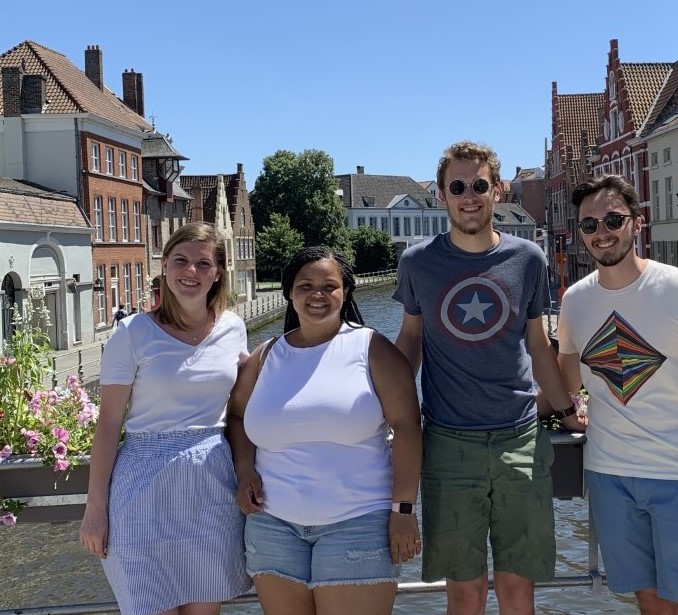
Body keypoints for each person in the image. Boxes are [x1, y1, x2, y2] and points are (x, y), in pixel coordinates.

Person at [393, 141, 585, 615]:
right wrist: (386, 409)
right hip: (447, 442)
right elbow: (410, 342)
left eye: (479, 185)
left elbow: (539, 346)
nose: (469, 195)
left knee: (519, 586)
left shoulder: (528, 259)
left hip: (519, 438)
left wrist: (565, 410)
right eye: (457, 187)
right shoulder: (418, 262)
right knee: (465, 589)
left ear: (497, 191)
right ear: (441, 195)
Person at [556, 174, 678, 614]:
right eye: (590, 225)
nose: (601, 232)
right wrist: (571, 410)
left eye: (612, 220)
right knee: (649, 601)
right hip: (610, 475)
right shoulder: (576, 302)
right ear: (580, 234)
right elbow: (567, 375)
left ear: (636, 223)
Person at [227, 246, 422, 615]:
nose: (317, 294)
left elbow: (408, 427)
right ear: (289, 293)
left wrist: (404, 510)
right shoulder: (266, 356)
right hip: (273, 527)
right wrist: (245, 471)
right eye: (306, 285)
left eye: (329, 286)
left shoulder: (371, 349)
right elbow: (236, 418)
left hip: (359, 524)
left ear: (345, 292)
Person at [80, 222, 251, 615]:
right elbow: (108, 425)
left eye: (203, 263)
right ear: (164, 265)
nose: (191, 272)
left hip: (211, 485)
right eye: (181, 260)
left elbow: (241, 410)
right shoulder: (133, 333)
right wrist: (95, 510)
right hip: (142, 484)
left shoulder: (232, 329)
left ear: (219, 272)